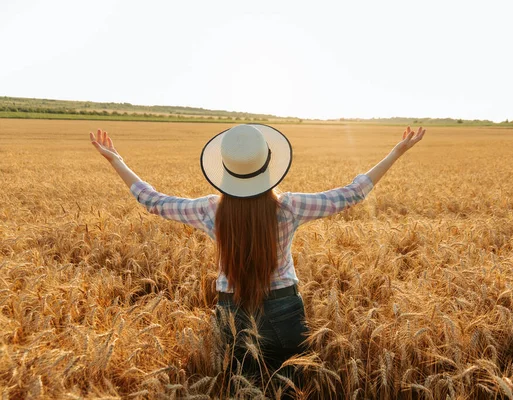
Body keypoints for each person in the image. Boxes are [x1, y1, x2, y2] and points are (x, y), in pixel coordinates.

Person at [89, 123, 425, 382]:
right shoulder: (289, 207)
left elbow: (153, 201)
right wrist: (397, 151)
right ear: (267, 164)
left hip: (230, 312)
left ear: (225, 169)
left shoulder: (210, 210)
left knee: (239, 386)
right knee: (291, 386)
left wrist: (116, 160)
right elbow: (352, 194)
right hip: (284, 308)